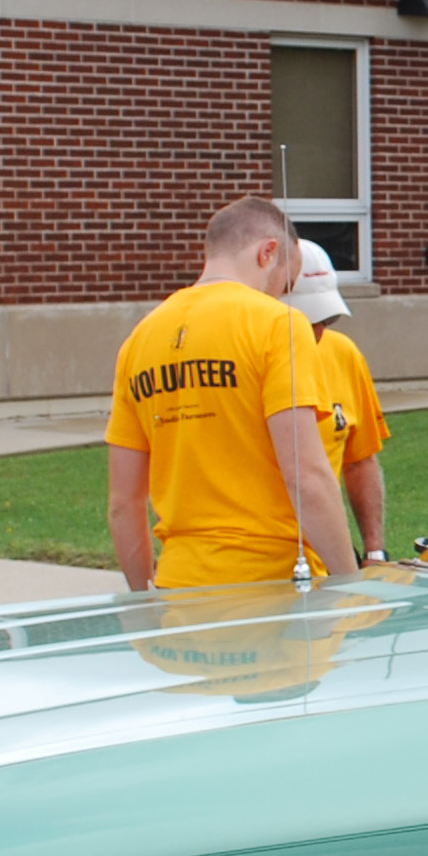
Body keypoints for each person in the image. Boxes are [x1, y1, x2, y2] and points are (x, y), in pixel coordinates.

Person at [106, 197, 357, 591]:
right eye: (286, 284)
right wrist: (352, 585)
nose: (281, 295)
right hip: (273, 592)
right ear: (267, 252)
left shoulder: (139, 340)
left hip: (180, 591)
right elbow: (305, 475)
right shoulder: (279, 325)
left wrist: (143, 596)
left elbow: (123, 502)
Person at [285, 240, 392, 564]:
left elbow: (360, 460)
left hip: (330, 559)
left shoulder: (343, 353)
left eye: (327, 320)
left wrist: (374, 548)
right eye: (309, 320)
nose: (319, 331)